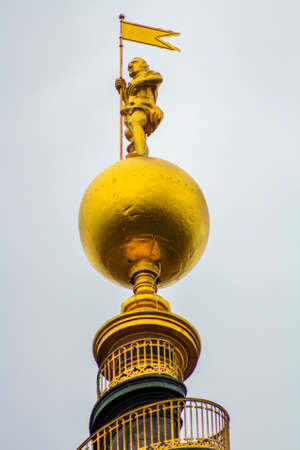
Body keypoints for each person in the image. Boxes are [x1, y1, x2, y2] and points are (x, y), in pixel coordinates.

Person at [115, 58, 163, 156]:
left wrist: (138, 82)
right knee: (129, 132)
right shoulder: (132, 84)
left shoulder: (148, 75)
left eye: (134, 62)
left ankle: (141, 152)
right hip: (133, 110)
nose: (130, 66)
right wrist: (122, 89)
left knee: (135, 122)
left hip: (145, 108)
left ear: (144, 65)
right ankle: (141, 150)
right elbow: (129, 101)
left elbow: (158, 78)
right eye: (129, 64)